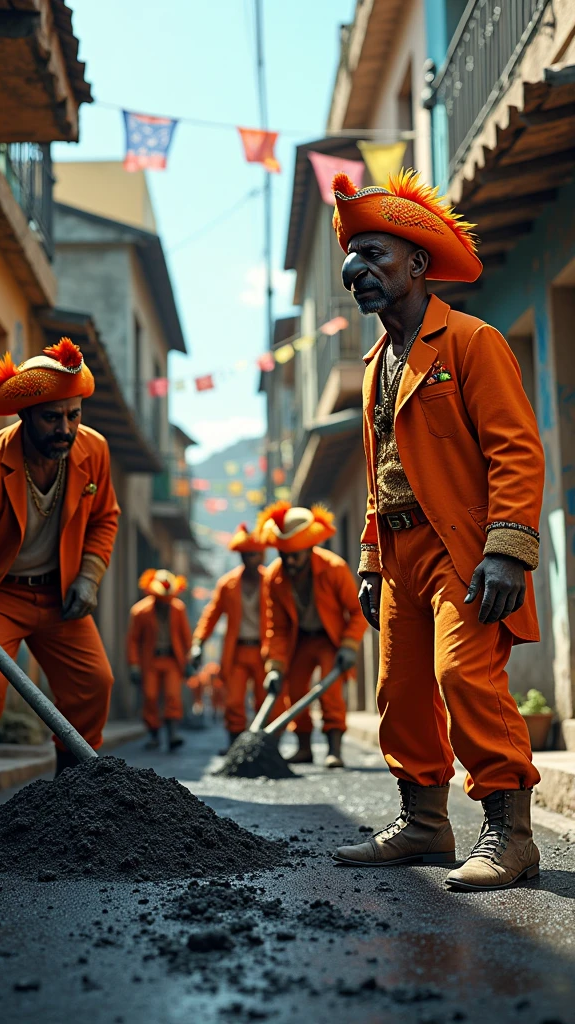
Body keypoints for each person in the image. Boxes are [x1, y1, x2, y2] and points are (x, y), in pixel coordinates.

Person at [329, 168, 544, 891]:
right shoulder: (372, 365)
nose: (358, 271)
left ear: (419, 265)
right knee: (399, 690)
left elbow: (516, 450)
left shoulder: (473, 341)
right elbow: (379, 470)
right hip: (396, 551)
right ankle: (423, 822)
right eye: (352, 259)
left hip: (463, 547)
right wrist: (367, 557)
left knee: (464, 677)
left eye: (376, 257)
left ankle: (510, 835)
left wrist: (508, 551)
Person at [0, 338, 119, 839]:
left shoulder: (93, 450)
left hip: (61, 594)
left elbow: (106, 518)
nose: (65, 430)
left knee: (95, 682)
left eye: (74, 416)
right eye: (52, 419)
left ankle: (69, 795)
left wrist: (89, 575)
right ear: (25, 416)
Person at [258, 502, 367, 768]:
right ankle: (304, 748)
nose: (290, 560)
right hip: (300, 641)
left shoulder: (333, 568)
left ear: (308, 548)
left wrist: (349, 645)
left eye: (295, 554)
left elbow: (356, 611)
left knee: (329, 694)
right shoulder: (274, 576)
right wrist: (275, 666)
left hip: (330, 640)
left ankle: (334, 749)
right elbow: (277, 627)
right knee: (294, 691)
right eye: (285, 554)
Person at [190, 524, 268, 753]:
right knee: (233, 701)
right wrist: (198, 643)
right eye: (245, 554)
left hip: (265, 651)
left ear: (261, 554)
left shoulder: (272, 581)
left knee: (266, 700)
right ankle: (234, 746)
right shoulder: (227, 584)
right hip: (237, 651)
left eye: (253, 554)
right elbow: (210, 616)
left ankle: (264, 746)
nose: (249, 559)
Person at [127, 570, 191, 752]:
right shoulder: (140, 611)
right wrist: (133, 664)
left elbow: (186, 637)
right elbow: (132, 640)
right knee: (150, 696)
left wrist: (189, 661)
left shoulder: (179, 609)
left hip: (172, 660)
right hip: (150, 660)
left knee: (172, 696)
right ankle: (154, 734)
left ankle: (172, 735)